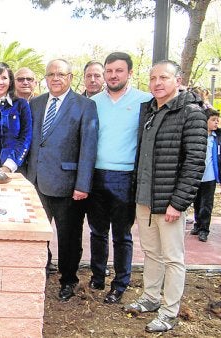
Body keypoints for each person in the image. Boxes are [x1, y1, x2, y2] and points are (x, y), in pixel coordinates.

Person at [124, 60, 207, 333]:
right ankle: (150, 298)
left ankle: (169, 312)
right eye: (153, 78)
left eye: (164, 77)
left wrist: (178, 202)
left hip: (170, 202)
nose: (157, 83)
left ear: (178, 80)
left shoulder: (191, 113)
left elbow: (195, 162)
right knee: (151, 253)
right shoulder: (148, 110)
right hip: (145, 198)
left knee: (173, 258)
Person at [26, 58, 98, 302]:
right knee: (36, 234)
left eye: (61, 74)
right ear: (45, 78)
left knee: (68, 237)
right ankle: (40, 270)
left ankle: (68, 280)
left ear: (70, 77)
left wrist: (82, 184)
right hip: (36, 182)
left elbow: (88, 147)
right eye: (51, 74)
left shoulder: (85, 105)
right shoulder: (34, 103)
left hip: (68, 184)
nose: (55, 78)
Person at [86, 52, 153, 304]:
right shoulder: (93, 102)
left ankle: (120, 283)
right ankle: (98, 275)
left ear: (130, 73)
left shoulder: (145, 101)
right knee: (97, 231)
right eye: (109, 71)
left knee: (122, 234)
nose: (113, 75)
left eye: (119, 70)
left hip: (125, 177)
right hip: (96, 175)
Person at [190, 108, 220, 242]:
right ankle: (197, 224)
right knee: (196, 202)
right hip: (196, 175)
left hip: (210, 176)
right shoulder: (196, 136)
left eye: (217, 120)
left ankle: (204, 229)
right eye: (213, 120)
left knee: (207, 204)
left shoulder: (218, 137)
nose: (216, 123)